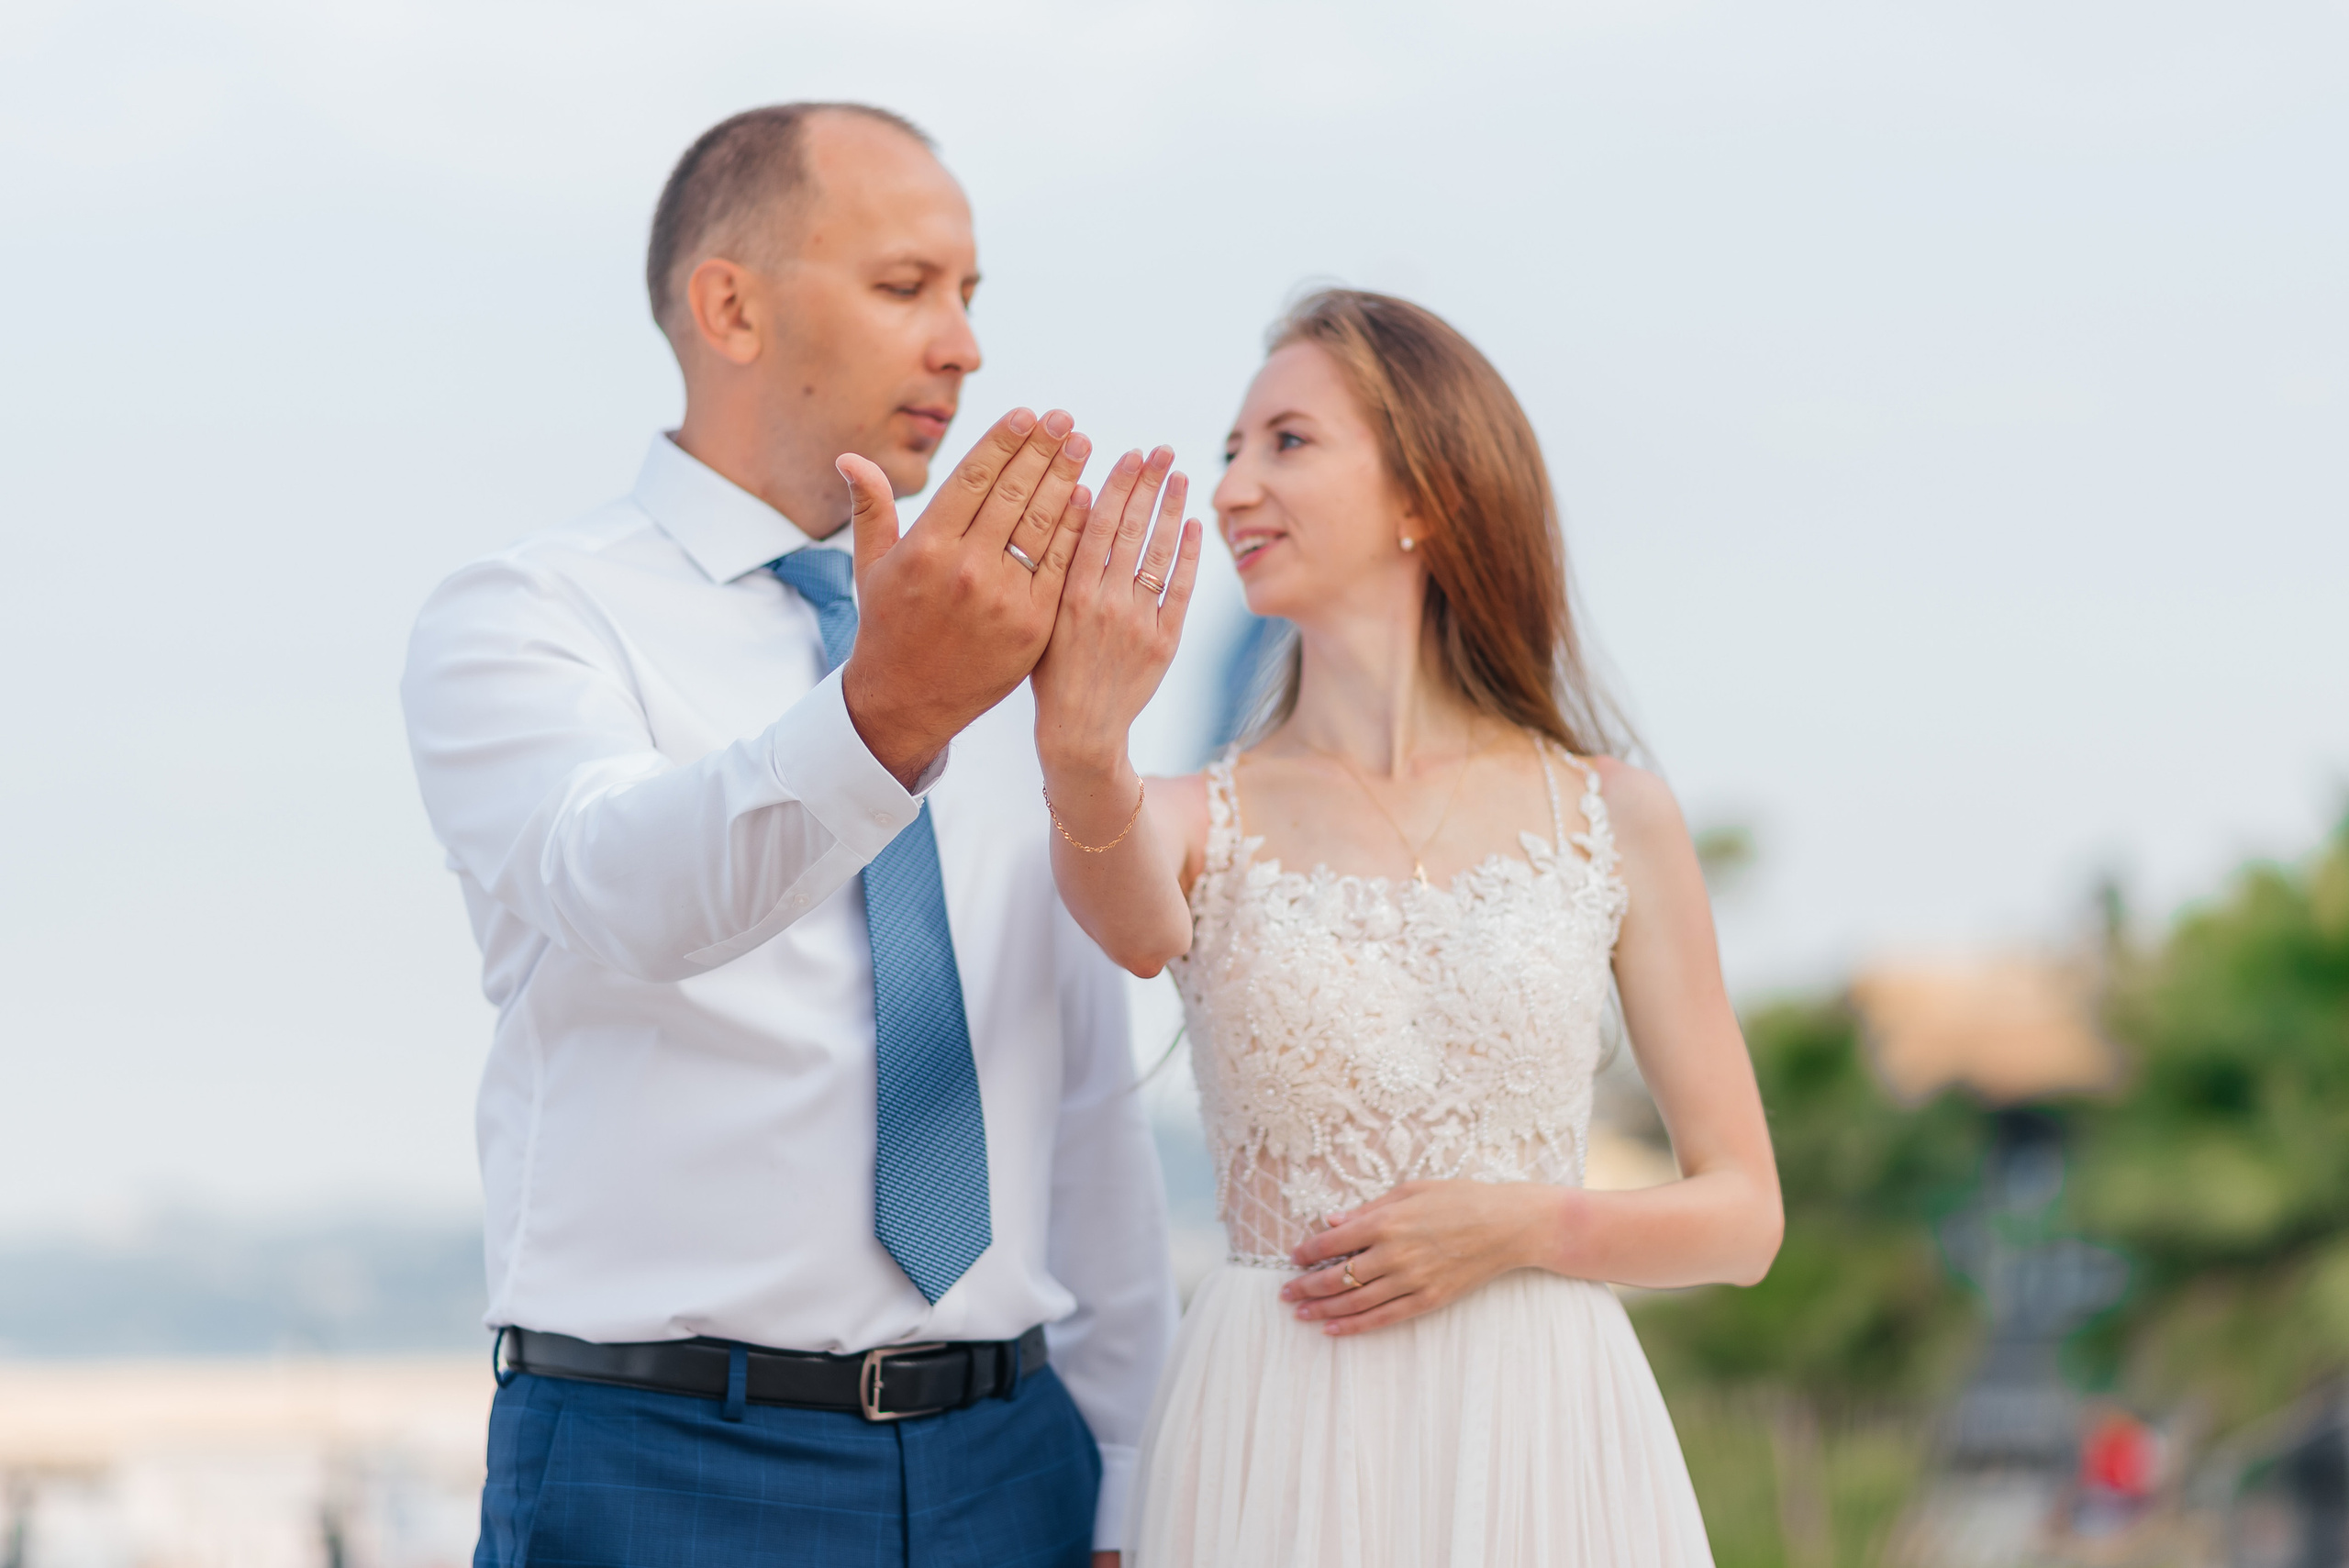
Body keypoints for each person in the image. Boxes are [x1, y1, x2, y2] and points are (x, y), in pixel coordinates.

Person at [400, 102, 1177, 1567]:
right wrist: (887, 713)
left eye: (970, 293)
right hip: (666, 1464)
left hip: (1015, 1458)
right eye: (905, 286)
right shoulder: (527, 617)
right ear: (732, 308)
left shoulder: (1002, 643)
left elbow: (1078, 1082)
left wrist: (1130, 1466)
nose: (963, 345)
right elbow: (628, 889)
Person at [1030, 288, 1785, 1565]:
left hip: (1545, 1429)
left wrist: (1529, 1225)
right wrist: (1080, 748)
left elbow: (1744, 1216)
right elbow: (1125, 920)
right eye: (1230, 450)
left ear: (1425, 494)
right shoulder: (1184, 816)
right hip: (1280, 1430)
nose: (1233, 488)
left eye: (1287, 442)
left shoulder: (1613, 814)